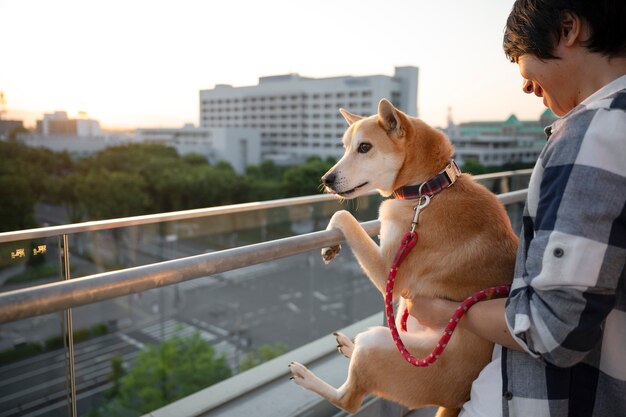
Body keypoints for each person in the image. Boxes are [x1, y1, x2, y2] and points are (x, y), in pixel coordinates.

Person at [406, 1, 626, 416]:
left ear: (567, 29)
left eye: (520, 59)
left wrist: (448, 312)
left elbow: (552, 330)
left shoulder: (594, 133)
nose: (524, 85)